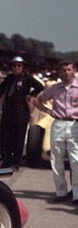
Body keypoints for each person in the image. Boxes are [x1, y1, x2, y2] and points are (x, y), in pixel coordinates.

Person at [34, 60, 78, 205]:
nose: (66, 72)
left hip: (74, 125)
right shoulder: (54, 88)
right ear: (59, 72)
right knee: (56, 159)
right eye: (64, 70)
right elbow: (37, 100)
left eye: (69, 69)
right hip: (58, 123)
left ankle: (77, 195)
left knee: (76, 161)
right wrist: (47, 111)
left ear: (73, 70)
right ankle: (61, 192)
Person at [0, 56, 44, 170]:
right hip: (8, 110)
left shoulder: (27, 78)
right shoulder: (8, 78)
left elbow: (40, 87)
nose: (16, 68)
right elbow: (1, 88)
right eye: (14, 66)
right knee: (5, 136)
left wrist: (31, 95)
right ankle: (6, 161)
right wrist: (2, 96)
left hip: (21, 110)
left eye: (19, 66)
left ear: (23, 67)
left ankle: (16, 163)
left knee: (18, 137)